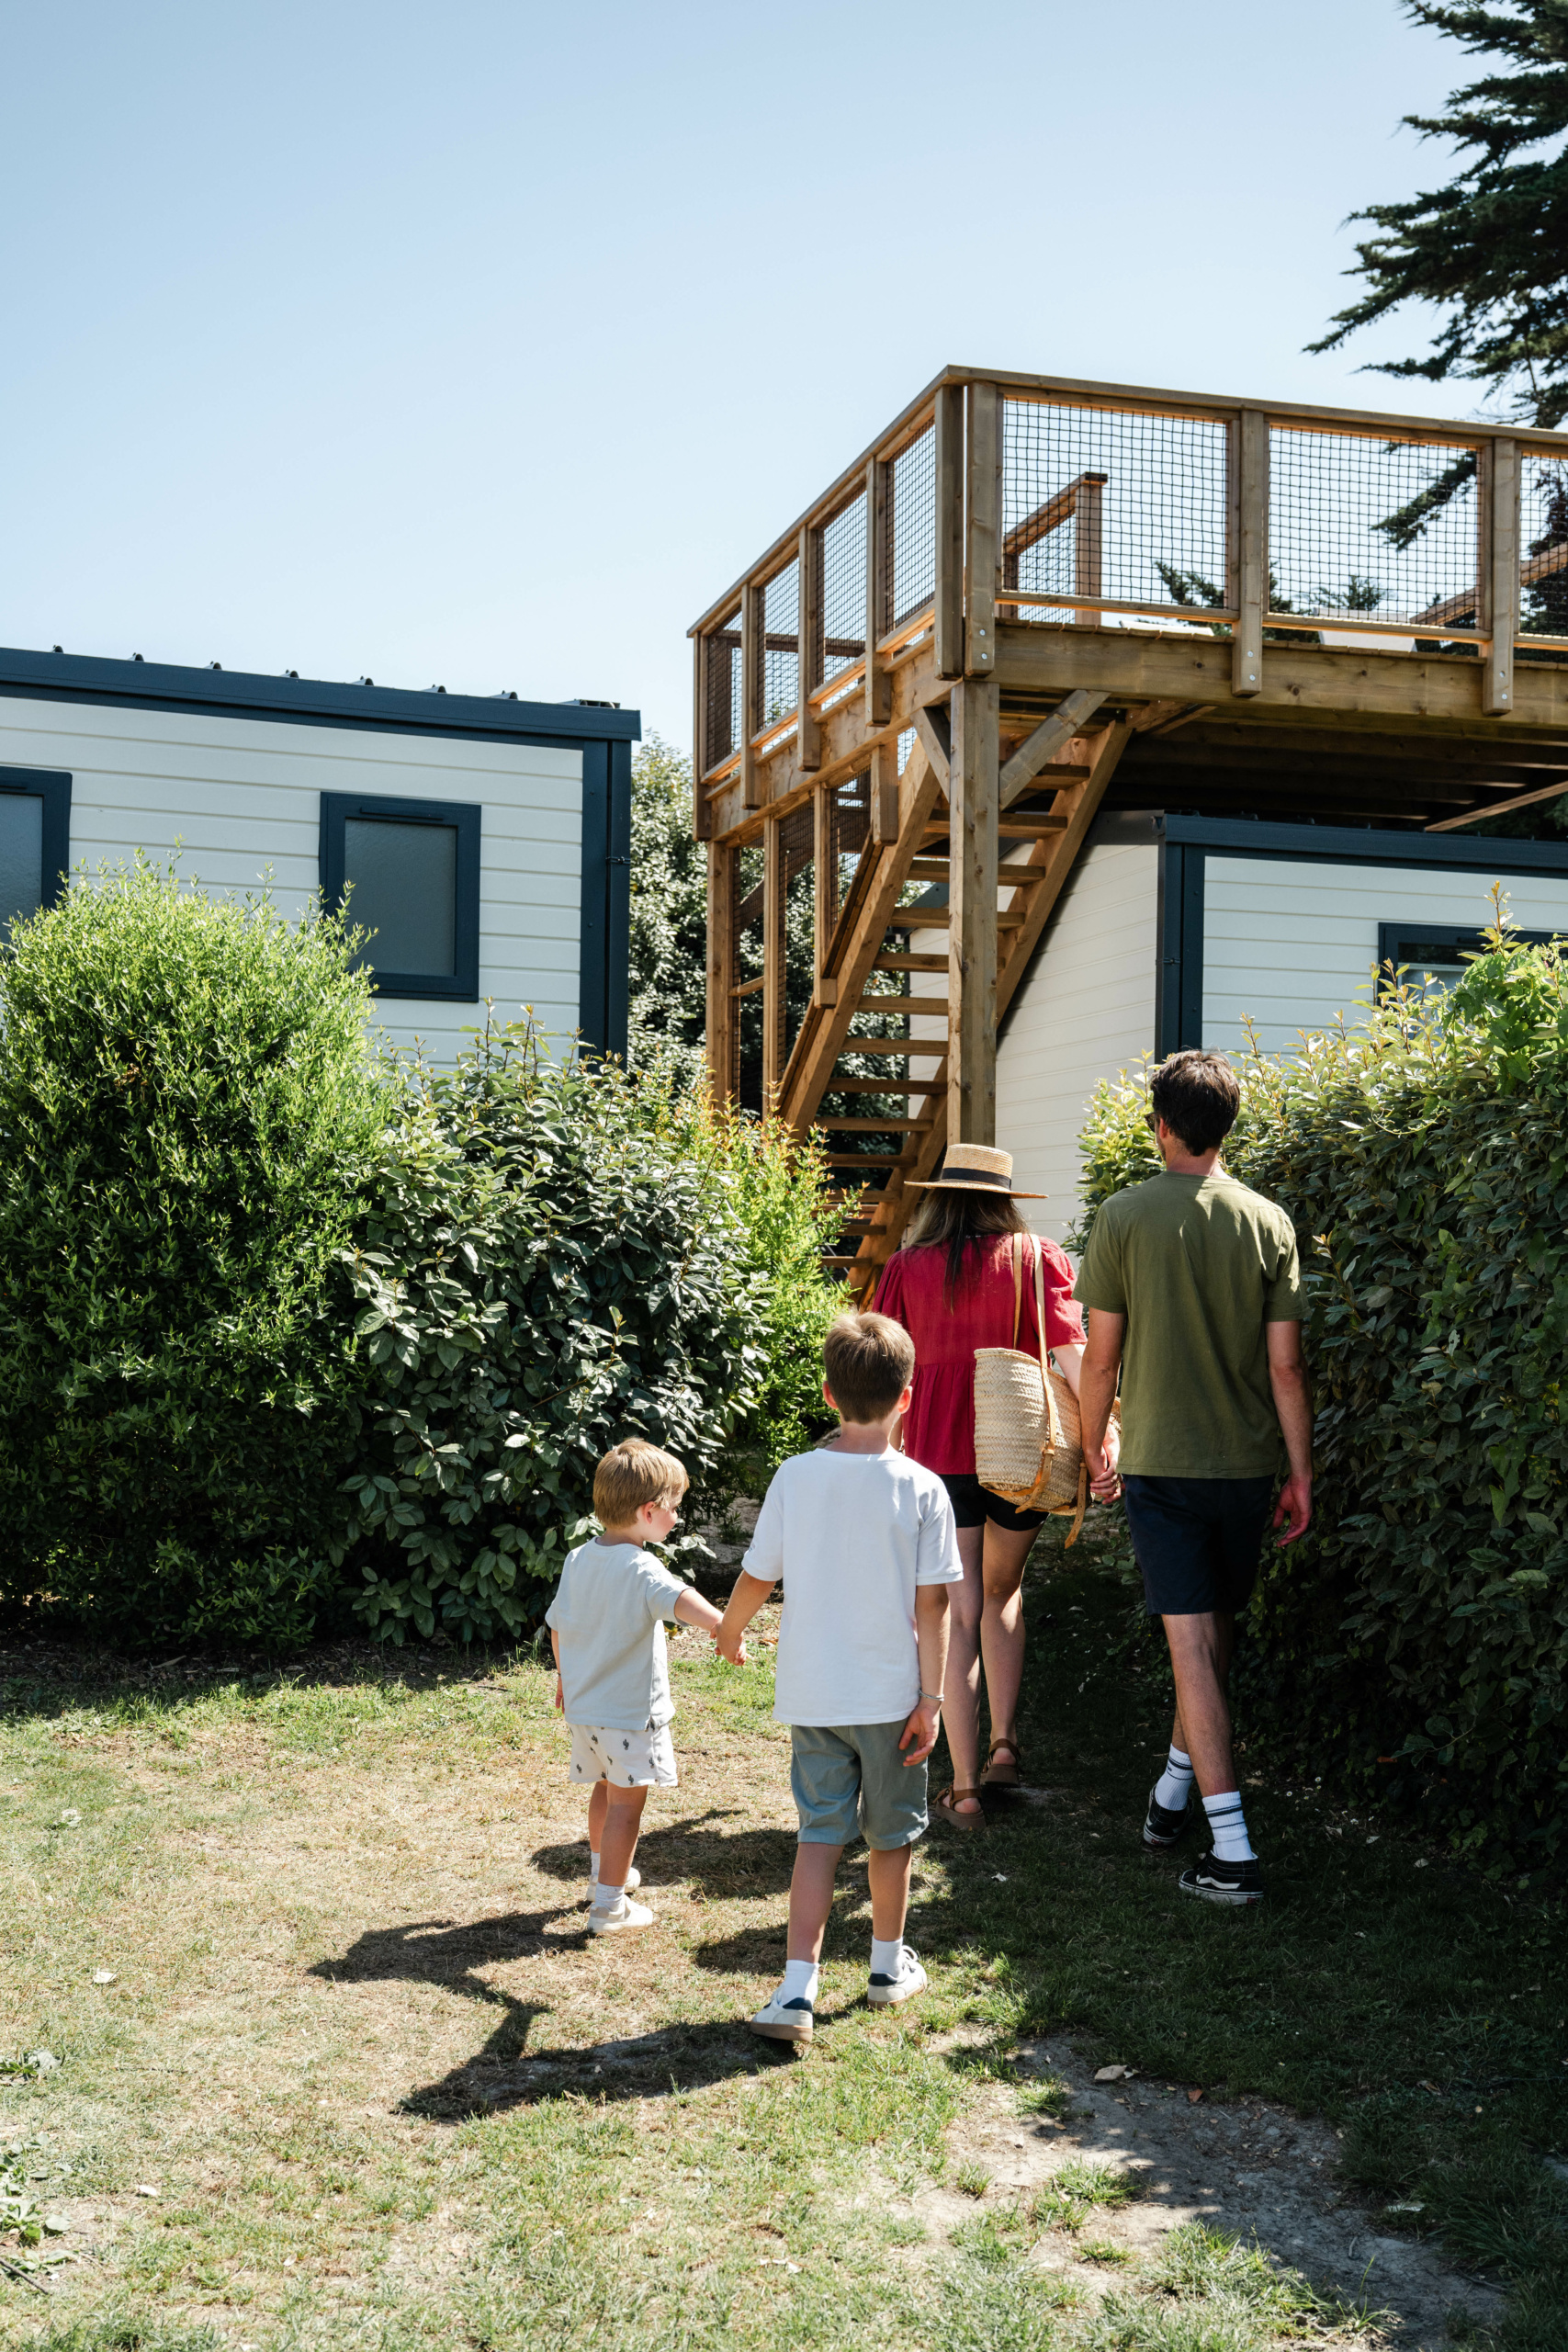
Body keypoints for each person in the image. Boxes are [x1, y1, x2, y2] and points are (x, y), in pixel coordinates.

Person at [1074, 1049, 1314, 1907]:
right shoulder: (1268, 1221)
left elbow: (1099, 1357)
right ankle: (1173, 1793)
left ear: (1161, 1127)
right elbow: (1285, 1368)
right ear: (1225, 1128)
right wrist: (1300, 1473)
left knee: (1192, 1648)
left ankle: (1233, 1854)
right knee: (1210, 1641)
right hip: (1246, 1464)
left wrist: (1089, 1442)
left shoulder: (1122, 1216)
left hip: (1163, 1465)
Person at [716, 1311, 961, 2045]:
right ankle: (886, 1969)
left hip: (815, 1695)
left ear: (827, 1395)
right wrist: (932, 1699)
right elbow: (934, 1603)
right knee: (891, 1838)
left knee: (819, 1835)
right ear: (907, 1398)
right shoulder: (923, 1488)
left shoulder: (795, 1475)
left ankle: (796, 1989)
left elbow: (758, 1573)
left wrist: (729, 1629)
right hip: (892, 1700)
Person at [874, 1143, 1093, 1826]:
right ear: (1005, 1201)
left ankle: (964, 1788)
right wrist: (1099, 1439)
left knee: (955, 1609)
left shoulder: (906, 1267)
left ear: (939, 1196)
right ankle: (1004, 1747)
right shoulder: (1036, 1258)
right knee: (1002, 1593)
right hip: (1020, 1452)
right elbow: (1072, 1353)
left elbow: (882, 1365)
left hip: (936, 1455)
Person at [547, 1437, 732, 1935]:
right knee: (627, 1806)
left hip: (585, 1710)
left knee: (605, 1790)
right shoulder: (643, 1566)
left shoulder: (578, 1558)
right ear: (648, 1511)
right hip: (629, 1715)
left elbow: (557, 1627)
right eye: (674, 1507)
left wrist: (565, 1678)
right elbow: (683, 1599)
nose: (677, 1517)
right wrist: (724, 1626)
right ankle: (610, 1906)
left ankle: (601, 1877)